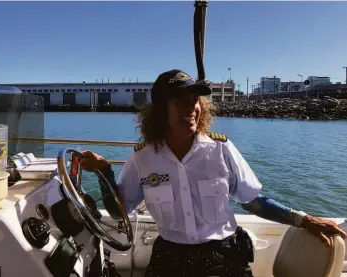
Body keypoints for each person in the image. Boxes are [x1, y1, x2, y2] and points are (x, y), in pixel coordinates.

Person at [80, 69, 346, 277]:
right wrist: (104, 173)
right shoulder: (142, 158)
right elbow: (119, 212)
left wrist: (303, 219)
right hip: (171, 256)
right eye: (179, 101)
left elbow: (253, 201)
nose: (191, 108)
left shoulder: (221, 149)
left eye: (195, 100)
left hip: (223, 253)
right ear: (160, 109)